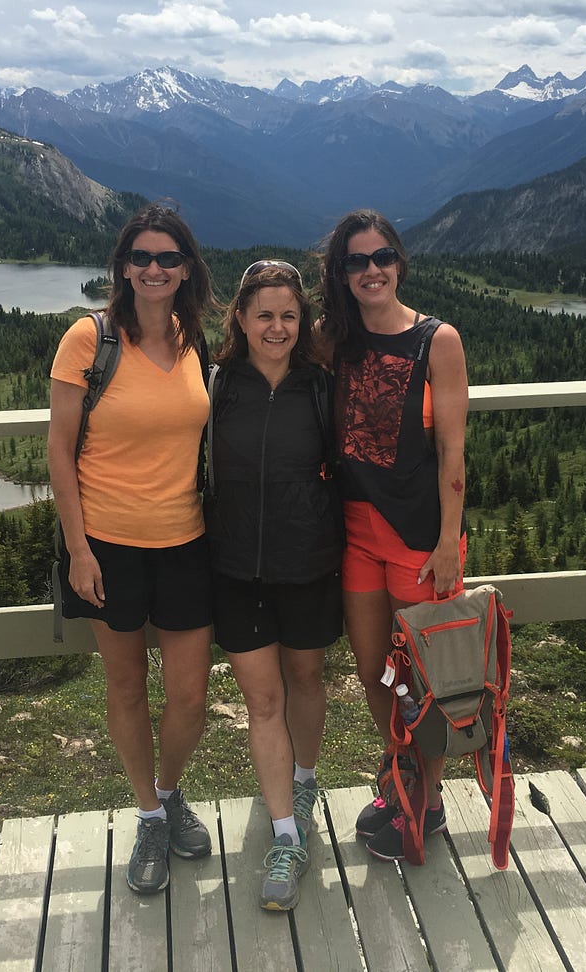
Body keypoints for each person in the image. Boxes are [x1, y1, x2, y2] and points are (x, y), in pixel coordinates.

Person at [47, 202, 218, 896]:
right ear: (122, 266)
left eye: (167, 258)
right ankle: (150, 813)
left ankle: (168, 789)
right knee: (125, 687)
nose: (153, 269)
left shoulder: (193, 338)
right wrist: (78, 551)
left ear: (185, 269)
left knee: (190, 695)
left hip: (187, 541)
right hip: (107, 546)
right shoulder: (89, 340)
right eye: (140, 257)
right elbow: (59, 451)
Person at [317, 209, 469, 862]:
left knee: (422, 681)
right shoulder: (331, 339)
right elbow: (265, 350)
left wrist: (446, 544)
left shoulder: (438, 340)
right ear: (341, 273)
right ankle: (400, 774)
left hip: (419, 539)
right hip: (355, 532)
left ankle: (424, 802)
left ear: (399, 262)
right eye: (356, 261)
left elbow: (455, 454)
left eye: (381, 257)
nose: (371, 270)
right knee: (373, 669)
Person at [206, 260, 344, 911]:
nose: (277, 327)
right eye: (264, 314)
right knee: (264, 702)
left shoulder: (321, 385)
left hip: (309, 562)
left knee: (307, 680)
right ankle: (286, 835)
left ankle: (306, 779)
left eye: (289, 315)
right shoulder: (214, 385)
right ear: (240, 317)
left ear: (303, 320)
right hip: (233, 568)